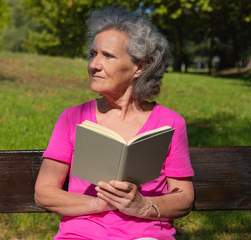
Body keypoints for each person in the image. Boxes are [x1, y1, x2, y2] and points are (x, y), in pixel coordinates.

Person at [35, 6, 194, 240]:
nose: (94, 65)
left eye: (107, 56)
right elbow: (44, 193)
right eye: (93, 54)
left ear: (139, 67)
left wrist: (141, 205)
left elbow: (183, 199)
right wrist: (102, 203)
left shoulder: (170, 123)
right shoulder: (72, 118)